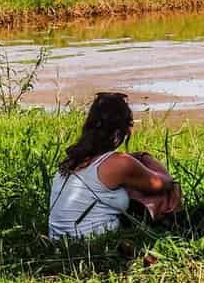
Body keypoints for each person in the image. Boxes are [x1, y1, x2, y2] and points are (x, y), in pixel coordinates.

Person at [48, 92, 181, 239]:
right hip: (91, 243)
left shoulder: (73, 160)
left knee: (131, 190)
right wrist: (145, 157)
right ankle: (175, 230)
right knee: (170, 191)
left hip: (59, 240)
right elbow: (165, 182)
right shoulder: (119, 163)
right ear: (119, 132)